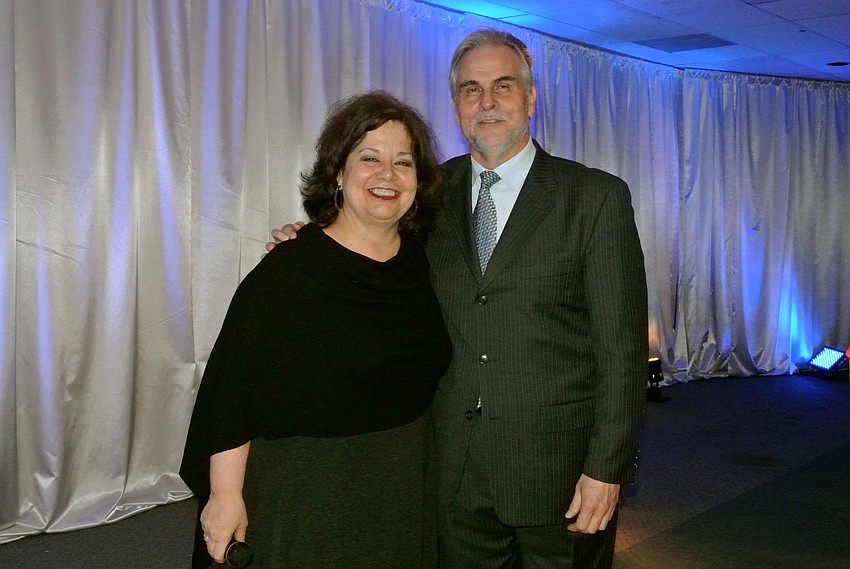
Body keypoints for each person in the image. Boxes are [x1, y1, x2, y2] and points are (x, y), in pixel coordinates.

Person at [270, 28, 648, 568]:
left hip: (558, 474)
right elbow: (371, 244)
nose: (487, 102)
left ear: (530, 97)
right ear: (456, 105)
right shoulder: (427, 194)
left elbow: (622, 352)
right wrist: (308, 241)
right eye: (471, 89)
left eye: (502, 86)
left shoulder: (594, 198)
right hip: (451, 472)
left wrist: (606, 469)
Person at [180, 91, 452, 569]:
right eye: (369, 158)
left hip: (402, 479)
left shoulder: (422, 264)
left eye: (402, 162)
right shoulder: (289, 273)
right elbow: (233, 391)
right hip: (307, 489)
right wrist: (224, 496)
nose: (387, 174)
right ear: (338, 174)